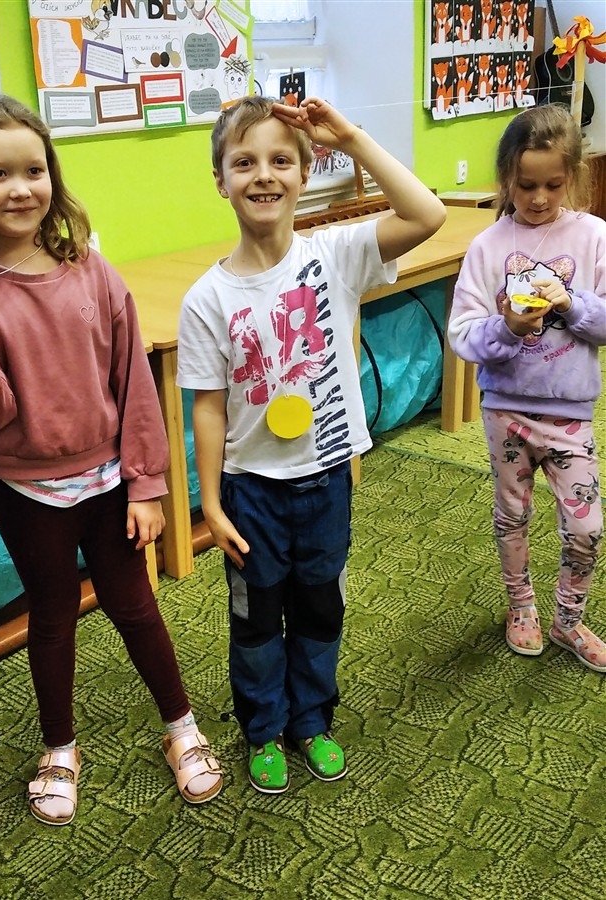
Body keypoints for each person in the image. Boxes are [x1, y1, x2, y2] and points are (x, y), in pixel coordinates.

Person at [0, 94, 223, 824]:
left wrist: (147, 484)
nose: (20, 188)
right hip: (25, 493)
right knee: (53, 616)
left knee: (135, 605)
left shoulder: (89, 268)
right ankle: (60, 748)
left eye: (34, 170)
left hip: (110, 482)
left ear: (52, 177)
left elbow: (134, 383)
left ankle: (182, 726)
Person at [176, 95, 446, 792]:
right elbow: (208, 406)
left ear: (303, 172)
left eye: (279, 160)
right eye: (243, 162)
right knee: (255, 619)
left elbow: (427, 214)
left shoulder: (336, 254)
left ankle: (311, 721)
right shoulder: (207, 298)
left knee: (322, 610)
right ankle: (263, 728)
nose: (263, 175)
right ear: (219, 180)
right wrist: (212, 504)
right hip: (251, 492)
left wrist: (351, 138)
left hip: (325, 481)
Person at [448, 104, 606, 673]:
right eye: (525, 185)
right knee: (511, 515)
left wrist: (573, 303)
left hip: (569, 412)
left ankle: (569, 619)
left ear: (573, 177)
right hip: (506, 411)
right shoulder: (488, 246)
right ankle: (522, 606)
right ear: (506, 179)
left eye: (552, 185)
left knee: (586, 527)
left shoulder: (593, 236)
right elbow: (462, 334)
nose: (538, 198)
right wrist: (508, 327)